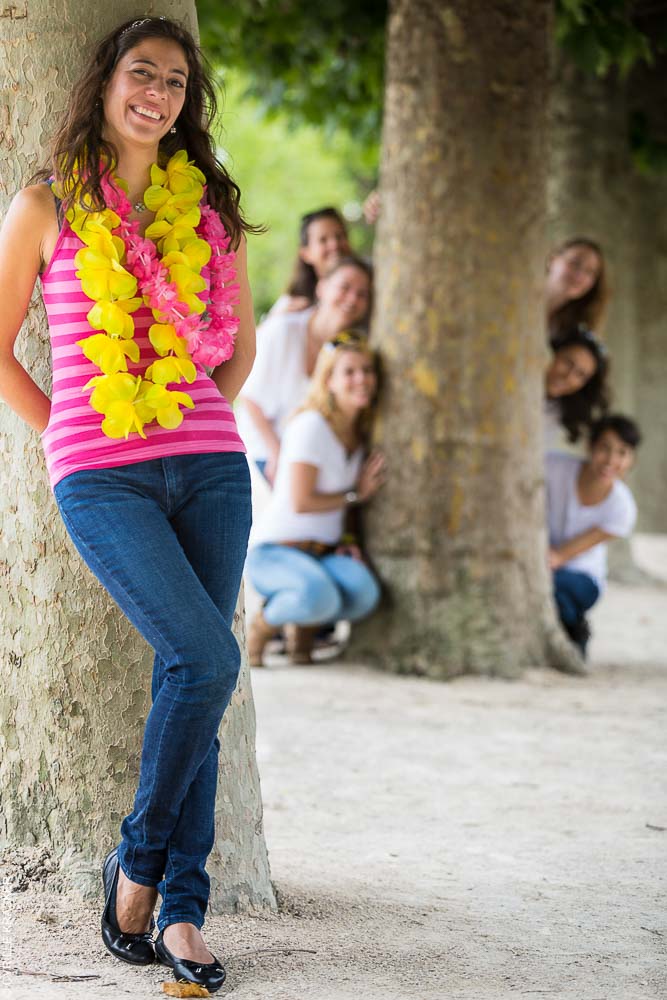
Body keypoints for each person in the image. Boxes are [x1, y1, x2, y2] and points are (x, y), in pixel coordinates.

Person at [0, 16, 258, 993]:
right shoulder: (45, 204)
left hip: (210, 468)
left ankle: (182, 910)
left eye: (175, 83)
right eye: (140, 73)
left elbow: (233, 348)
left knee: (190, 673)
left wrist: (193, 422)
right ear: (105, 83)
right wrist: (69, 429)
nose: (156, 93)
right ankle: (139, 863)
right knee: (206, 656)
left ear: (187, 106)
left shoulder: (207, 212)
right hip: (100, 474)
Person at [245, 333, 384, 666]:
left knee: (364, 593)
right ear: (329, 380)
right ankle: (260, 629)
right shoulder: (311, 426)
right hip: (276, 551)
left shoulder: (361, 433)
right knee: (319, 595)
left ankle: (302, 634)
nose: (361, 379)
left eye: (367, 370)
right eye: (349, 371)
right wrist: (355, 495)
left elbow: (346, 511)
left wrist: (349, 539)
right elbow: (300, 502)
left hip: (322, 554)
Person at [238, 255, 373, 483]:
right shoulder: (282, 329)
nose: (352, 298)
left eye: (362, 294)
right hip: (260, 453)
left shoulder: (352, 348)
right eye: (345, 287)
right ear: (321, 287)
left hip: (306, 460)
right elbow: (248, 397)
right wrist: (276, 453)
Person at [546, 414, 640, 656]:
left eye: (622, 453)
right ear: (590, 447)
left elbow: (560, 556)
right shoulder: (554, 467)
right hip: (545, 561)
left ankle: (575, 629)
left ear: (632, 460)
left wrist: (544, 560)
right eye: (604, 448)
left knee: (554, 585)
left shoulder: (622, 508)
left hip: (584, 578)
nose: (611, 460)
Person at [269, 206, 351, 315]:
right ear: (305, 254)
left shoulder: (371, 278)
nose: (334, 244)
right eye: (323, 240)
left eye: (339, 236)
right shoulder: (290, 303)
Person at [544, 328, 610, 450]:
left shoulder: (559, 413)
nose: (568, 377)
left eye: (580, 375)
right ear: (554, 353)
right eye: (568, 363)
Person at [546, 237, 608, 341]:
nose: (579, 276)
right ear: (552, 260)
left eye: (590, 272)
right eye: (575, 263)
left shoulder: (577, 334)